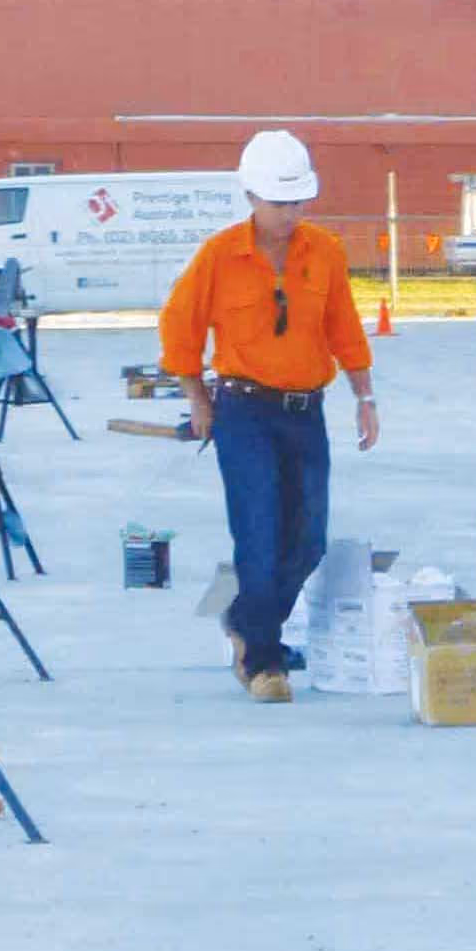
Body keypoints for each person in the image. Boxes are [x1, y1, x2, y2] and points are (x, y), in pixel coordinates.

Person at [159, 129, 380, 703]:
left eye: (298, 202)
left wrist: (365, 396)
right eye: (279, 202)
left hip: (305, 413)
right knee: (258, 536)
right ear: (251, 196)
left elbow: (344, 327)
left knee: (307, 540)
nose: (290, 213)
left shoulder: (325, 252)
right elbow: (179, 327)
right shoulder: (219, 256)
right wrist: (197, 398)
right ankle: (264, 662)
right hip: (243, 411)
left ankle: (242, 620)